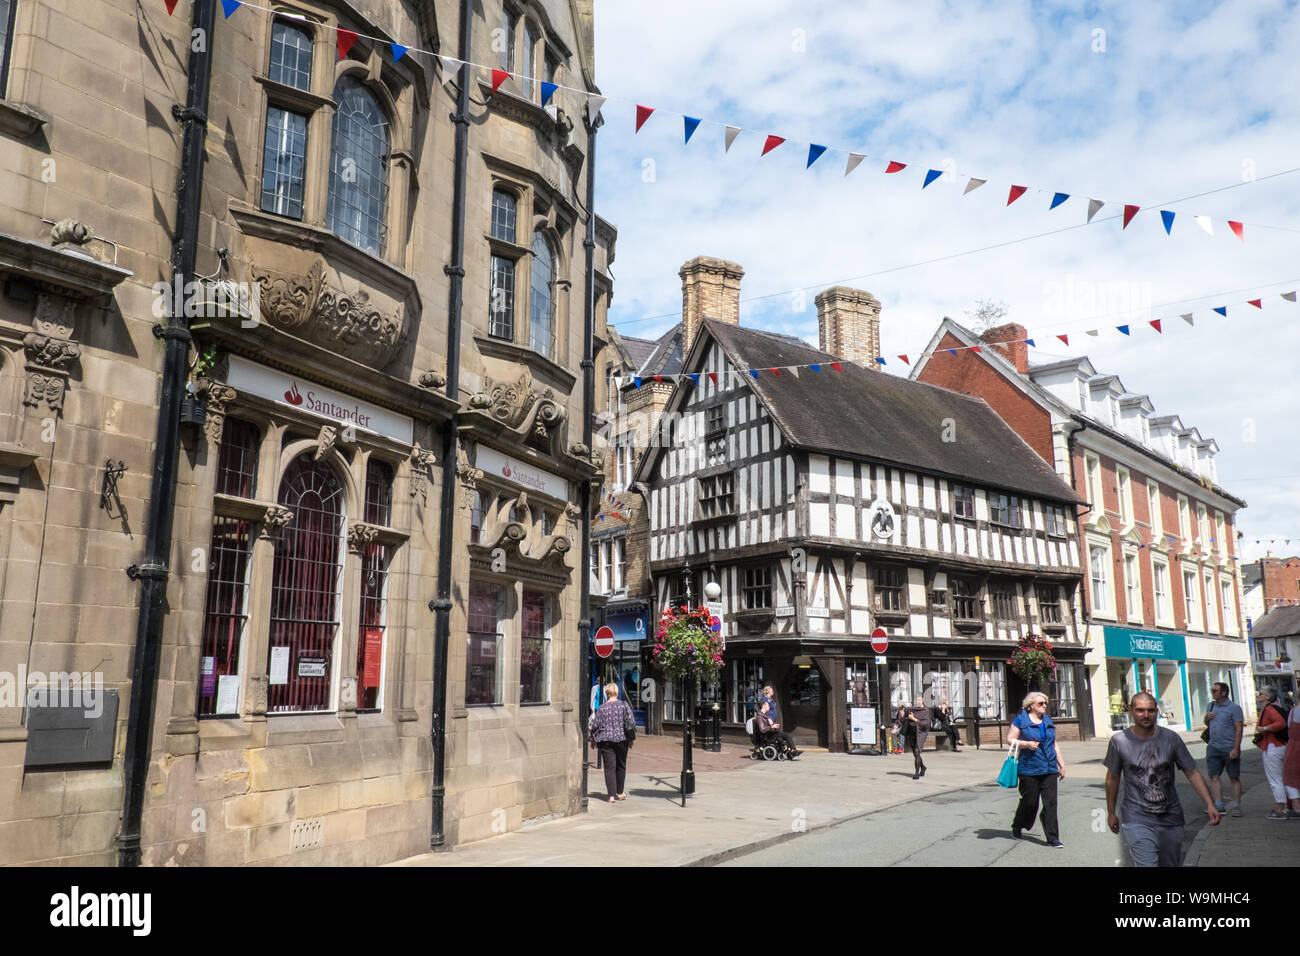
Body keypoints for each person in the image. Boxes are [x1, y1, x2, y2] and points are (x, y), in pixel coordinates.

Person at [1105, 691, 1220, 866]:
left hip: (1171, 817)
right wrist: (1111, 812)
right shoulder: (1119, 742)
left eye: (1151, 710)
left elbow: (1192, 772)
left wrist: (1210, 804)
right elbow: (1112, 778)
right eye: (1140, 710)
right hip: (1136, 816)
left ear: (1157, 711)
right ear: (1131, 711)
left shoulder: (1171, 739)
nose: (1146, 715)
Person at [1007, 691, 1066, 847]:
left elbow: (1054, 744)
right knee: (1030, 802)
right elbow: (1010, 739)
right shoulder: (1021, 720)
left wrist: (1061, 764)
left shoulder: (1047, 720)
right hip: (1029, 768)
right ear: (1031, 705)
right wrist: (1026, 744)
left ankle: (1052, 837)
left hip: (1049, 768)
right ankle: (1018, 825)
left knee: (1051, 803)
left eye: (1045, 703)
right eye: (1041, 703)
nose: (1044, 706)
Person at [1202, 682, 1244, 817]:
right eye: (1212, 690)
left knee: (1234, 777)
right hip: (1213, 746)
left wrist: (1236, 748)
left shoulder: (1234, 708)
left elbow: (1239, 728)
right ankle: (1218, 805)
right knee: (1214, 776)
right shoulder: (1211, 705)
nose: (1212, 693)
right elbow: (1206, 722)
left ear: (1224, 693)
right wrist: (1206, 718)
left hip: (1229, 747)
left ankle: (1236, 806)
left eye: (1215, 690)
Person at [591, 681, 636, 803]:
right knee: (621, 766)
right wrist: (631, 739)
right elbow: (631, 722)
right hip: (622, 740)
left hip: (606, 741)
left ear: (607, 693)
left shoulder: (602, 708)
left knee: (609, 768)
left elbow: (595, 725)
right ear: (616, 692)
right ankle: (620, 793)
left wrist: (593, 739)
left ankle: (611, 796)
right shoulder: (624, 705)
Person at [1254, 687, 1293, 820]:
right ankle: (1290, 806)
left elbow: (1281, 723)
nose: (1258, 695)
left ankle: (1280, 809)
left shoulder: (1269, 709)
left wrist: (1264, 728)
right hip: (1277, 745)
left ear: (1267, 697)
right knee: (1281, 777)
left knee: (1275, 779)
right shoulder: (1269, 708)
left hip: (1273, 746)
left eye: (1261, 693)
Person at [902, 695, 931, 779]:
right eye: (916, 700)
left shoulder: (926, 710)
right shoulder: (910, 709)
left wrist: (914, 719)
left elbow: (925, 724)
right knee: (915, 753)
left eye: (919, 699)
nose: (918, 701)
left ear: (922, 700)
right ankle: (923, 767)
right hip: (911, 733)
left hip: (920, 733)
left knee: (917, 751)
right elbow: (903, 719)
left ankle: (916, 773)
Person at [1285, 700, 1300, 818]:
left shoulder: (1294, 711)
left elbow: (1289, 727)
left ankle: (1296, 807)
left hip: (1295, 747)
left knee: (1290, 777)